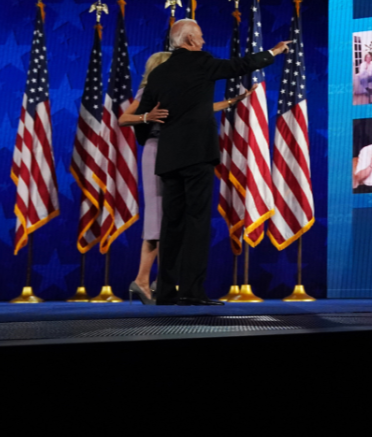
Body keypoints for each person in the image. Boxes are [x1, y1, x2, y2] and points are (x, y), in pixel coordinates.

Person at [135, 19, 290, 307]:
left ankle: (166, 293)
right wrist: (274, 52)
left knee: (171, 224)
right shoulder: (202, 62)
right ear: (191, 40)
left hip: (168, 158)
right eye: (202, 37)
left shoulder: (159, 74)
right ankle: (192, 293)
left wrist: (150, 139)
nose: (204, 42)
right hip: (196, 156)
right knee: (196, 222)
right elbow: (239, 66)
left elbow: (143, 117)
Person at [118, 51, 254, 305]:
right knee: (159, 220)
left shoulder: (175, 89)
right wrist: (146, 117)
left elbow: (194, 109)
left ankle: (159, 280)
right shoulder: (150, 89)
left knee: (172, 218)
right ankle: (143, 280)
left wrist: (229, 103)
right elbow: (124, 118)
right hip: (157, 150)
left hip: (174, 151)